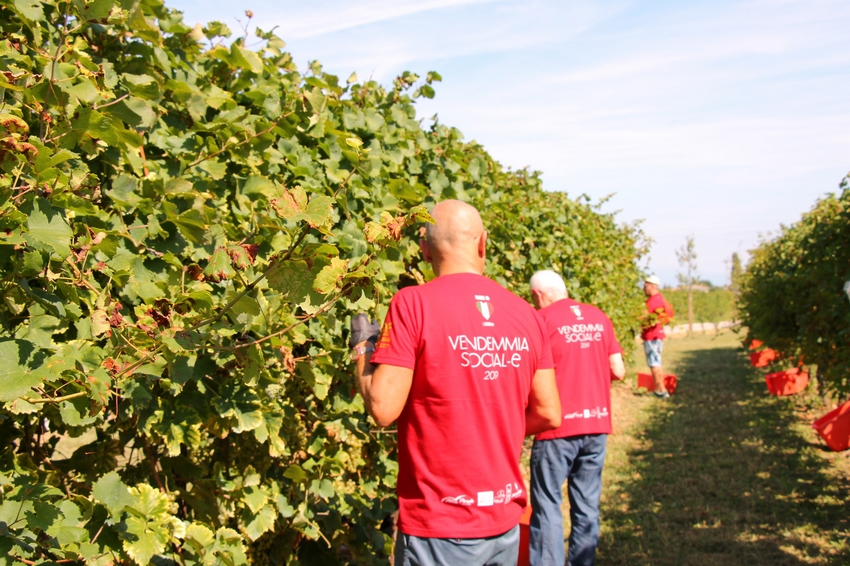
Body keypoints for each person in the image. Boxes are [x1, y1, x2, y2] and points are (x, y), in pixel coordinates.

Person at [351, 200, 561, 566]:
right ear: (483, 243)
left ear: (424, 248)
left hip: (439, 525)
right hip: (504, 520)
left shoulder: (413, 304)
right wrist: (492, 430)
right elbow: (549, 413)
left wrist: (362, 350)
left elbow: (383, 408)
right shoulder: (527, 315)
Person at [527, 270, 625, 566]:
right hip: (596, 424)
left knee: (547, 505)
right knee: (587, 504)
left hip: (557, 428)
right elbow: (618, 370)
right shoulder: (599, 316)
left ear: (538, 294)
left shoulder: (541, 321)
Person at [641, 275, 674, 398]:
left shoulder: (653, 301)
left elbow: (643, 317)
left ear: (651, 286)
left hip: (652, 336)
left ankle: (661, 390)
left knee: (654, 363)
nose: (644, 289)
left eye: (645, 286)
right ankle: (660, 388)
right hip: (657, 335)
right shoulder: (660, 299)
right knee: (656, 362)